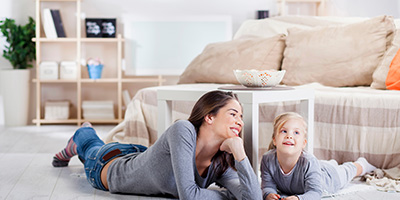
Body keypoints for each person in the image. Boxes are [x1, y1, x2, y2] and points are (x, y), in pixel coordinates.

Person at [52, 90, 262, 200]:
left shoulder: (221, 163)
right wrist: (229, 196)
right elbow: (189, 196)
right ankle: (82, 134)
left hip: (142, 156)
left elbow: (252, 199)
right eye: (233, 114)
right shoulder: (183, 129)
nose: (240, 122)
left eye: (241, 117)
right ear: (209, 117)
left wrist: (239, 153)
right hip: (106, 165)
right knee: (90, 145)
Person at [260, 112, 377, 200]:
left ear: (303, 144)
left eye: (296, 132)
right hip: (317, 167)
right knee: (322, 165)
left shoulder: (308, 162)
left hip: (329, 179)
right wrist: (269, 194)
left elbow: (315, 192)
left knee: (347, 171)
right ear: (274, 140)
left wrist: (299, 198)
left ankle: (362, 164)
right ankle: (330, 163)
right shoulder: (267, 159)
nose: (289, 136)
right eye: (284, 131)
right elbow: (267, 185)